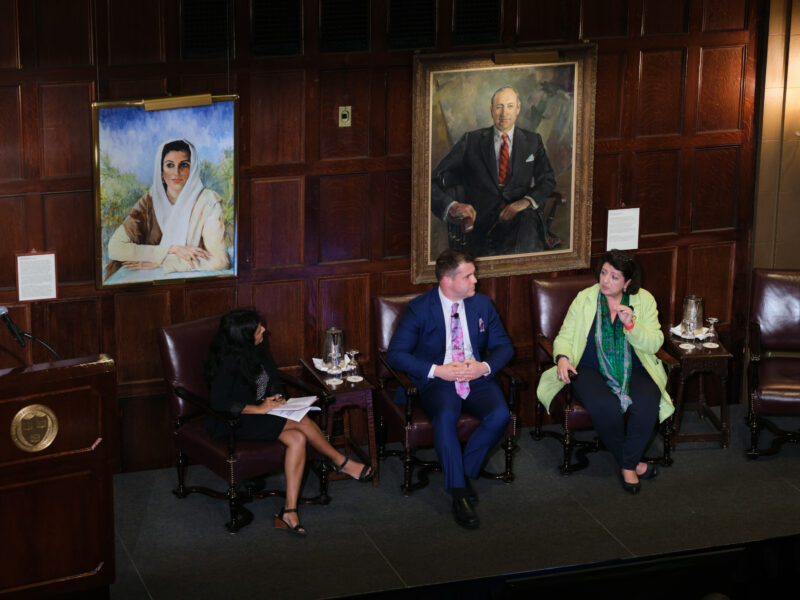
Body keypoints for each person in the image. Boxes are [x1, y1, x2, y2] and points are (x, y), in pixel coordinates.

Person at [203, 309, 372, 536]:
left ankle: (289, 512)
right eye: (258, 328)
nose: (264, 329)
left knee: (297, 437)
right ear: (243, 336)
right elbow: (219, 402)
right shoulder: (227, 360)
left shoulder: (258, 348)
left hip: (265, 412)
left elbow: (273, 378)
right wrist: (260, 408)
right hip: (235, 420)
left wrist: (276, 398)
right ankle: (340, 462)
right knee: (302, 423)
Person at [387, 249, 513, 528]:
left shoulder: (482, 305)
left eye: (474, 275)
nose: (475, 281)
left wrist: (484, 367)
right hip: (440, 380)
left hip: (476, 376)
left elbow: (505, 347)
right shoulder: (421, 308)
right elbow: (395, 354)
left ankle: (462, 473)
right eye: (468, 276)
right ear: (447, 281)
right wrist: (437, 371)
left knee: (500, 416)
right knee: (445, 418)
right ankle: (459, 494)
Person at [536, 250, 674, 494]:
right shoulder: (585, 298)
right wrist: (563, 358)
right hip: (589, 367)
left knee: (648, 402)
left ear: (628, 283)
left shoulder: (644, 300)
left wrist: (631, 325)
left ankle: (627, 462)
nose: (606, 281)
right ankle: (631, 465)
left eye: (614, 277)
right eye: (603, 273)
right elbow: (565, 336)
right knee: (605, 405)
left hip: (635, 368)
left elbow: (654, 344)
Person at [431, 86, 557, 256]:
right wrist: (452, 206)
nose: (504, 113)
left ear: (518, 109)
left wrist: (526, 201)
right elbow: (432, 181)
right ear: (491, 110)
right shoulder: (471, 141)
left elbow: (547, 179)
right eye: (499, 107)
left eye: (510, 106)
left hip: (521, 223)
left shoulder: (533, 141)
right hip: (480, 225)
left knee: (527, 223)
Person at [105, 138, 230, 279]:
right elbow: (115, 248)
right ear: (161, 172)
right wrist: (171, 250)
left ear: (193, 168)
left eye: (184, 165)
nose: (176, 172)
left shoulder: (208, 201)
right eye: (170, 165)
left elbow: (220, 261)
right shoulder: (150, 200)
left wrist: (164, 261)